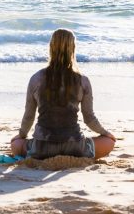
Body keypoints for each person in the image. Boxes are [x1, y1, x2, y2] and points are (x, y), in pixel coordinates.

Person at [11, 29, 116, 160]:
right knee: (109, 142)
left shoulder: (36, 78)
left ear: (51, 47)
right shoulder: (83, 80)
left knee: (15, 144)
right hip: (74, 146)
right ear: (73, 48)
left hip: (42, 147)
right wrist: (106, 133)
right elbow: (89, 118)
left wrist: (21, 135)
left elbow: (29, 116)